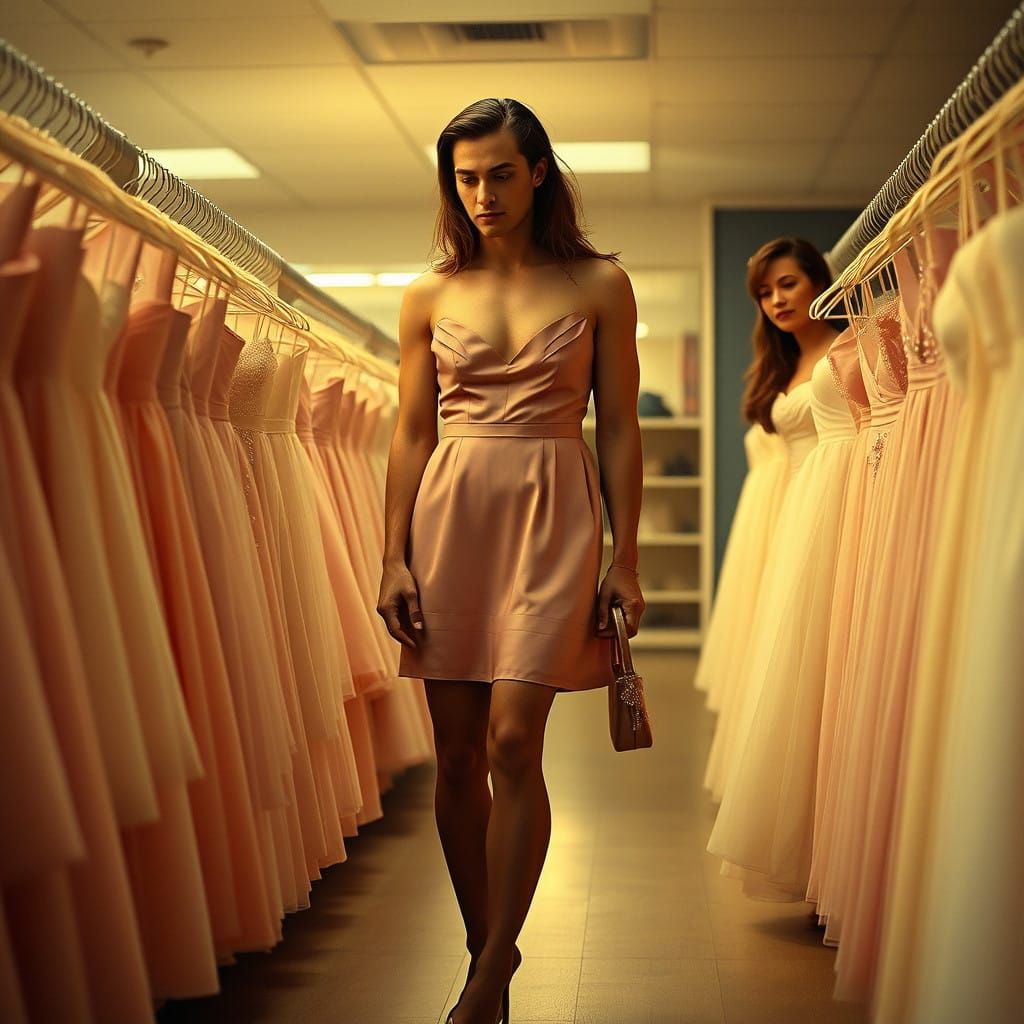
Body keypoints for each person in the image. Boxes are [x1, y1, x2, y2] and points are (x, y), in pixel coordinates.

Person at [376, 97, 645, 1024]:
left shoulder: (600, 283)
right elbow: (413, 430)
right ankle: (481, 946)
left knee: (510, 740)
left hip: (551, 515)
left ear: (537, 172)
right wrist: (389, 558)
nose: (482, 193)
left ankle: (491, 974)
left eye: (499, 172)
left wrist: (627, 554)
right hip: (449, 518)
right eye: (465, 177)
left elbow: (619, 429)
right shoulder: (427, 294)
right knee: (454, 757)